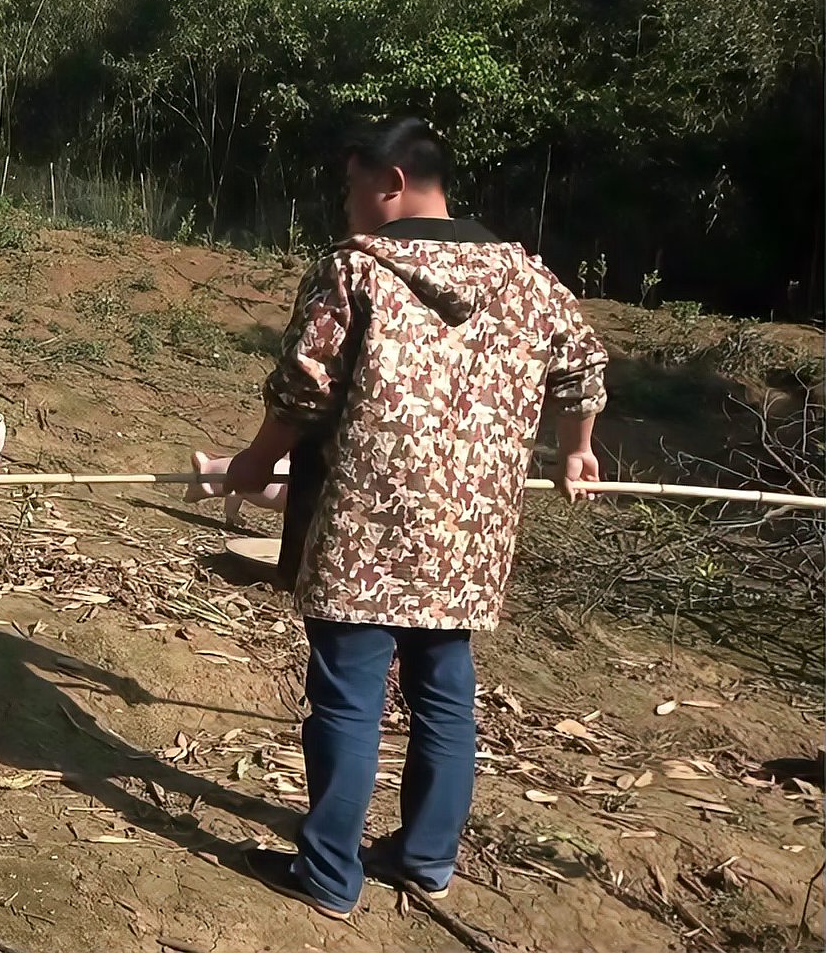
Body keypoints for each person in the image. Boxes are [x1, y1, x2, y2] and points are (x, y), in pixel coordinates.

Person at [223, 116, 609, 919]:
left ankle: (329, 874)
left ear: (391, 182)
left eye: (351, 187)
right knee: (443, 695)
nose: (347, 205)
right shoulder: (529, 278)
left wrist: (258, 460)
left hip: (366, 521)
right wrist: (578, 449)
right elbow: (583, 363)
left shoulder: (355, 271)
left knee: (348, 699)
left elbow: (304, 382)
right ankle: (426, 859)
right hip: (468, 533)